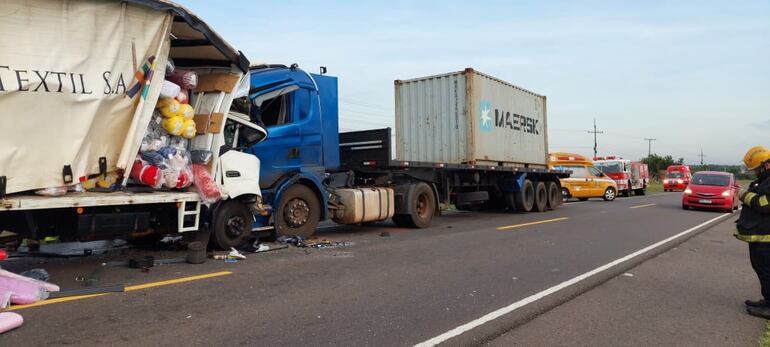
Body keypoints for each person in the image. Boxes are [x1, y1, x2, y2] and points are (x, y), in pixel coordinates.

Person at [736, 146, 770, 318]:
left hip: (766, 237)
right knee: (760, 267)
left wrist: (744, 195)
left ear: (766, 165)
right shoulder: (764, 180)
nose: (755, 171)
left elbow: (765, 204)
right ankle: (767, 300)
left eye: (756, 168)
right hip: (761, 235)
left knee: (766, 269)